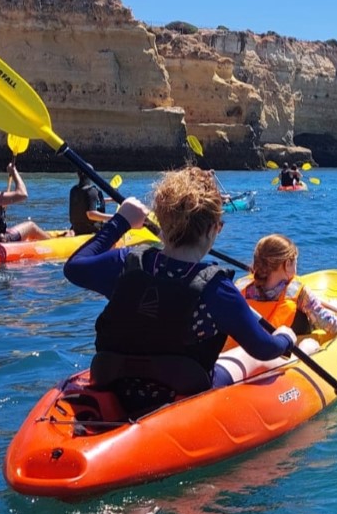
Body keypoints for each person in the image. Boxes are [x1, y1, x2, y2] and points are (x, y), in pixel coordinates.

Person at [63, 166, 301, 418]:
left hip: (115, 379)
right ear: (214, 229)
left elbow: (75, 267)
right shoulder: (216, 288)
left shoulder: (126, 262)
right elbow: (263, 349)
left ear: (162, 221)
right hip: (182, 392)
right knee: (245, 357)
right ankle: (305, 350)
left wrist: (121, 221)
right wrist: (285, 338)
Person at [235, 234, 337, 351]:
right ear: (287, 264)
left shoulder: (239, 288)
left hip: (242, 351)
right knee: (310, 332)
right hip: (279, 352)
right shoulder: (298, 293)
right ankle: (332, 307)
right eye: (296, 262)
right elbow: (331, 325)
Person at [69, 171, 106, 236]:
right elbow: (91, 214)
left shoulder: (74, 190)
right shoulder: (91, 191)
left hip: (77, 228)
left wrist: (110, 200)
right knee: (110, 222)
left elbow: (86, 203)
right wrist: (113, 217)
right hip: (91, 230)